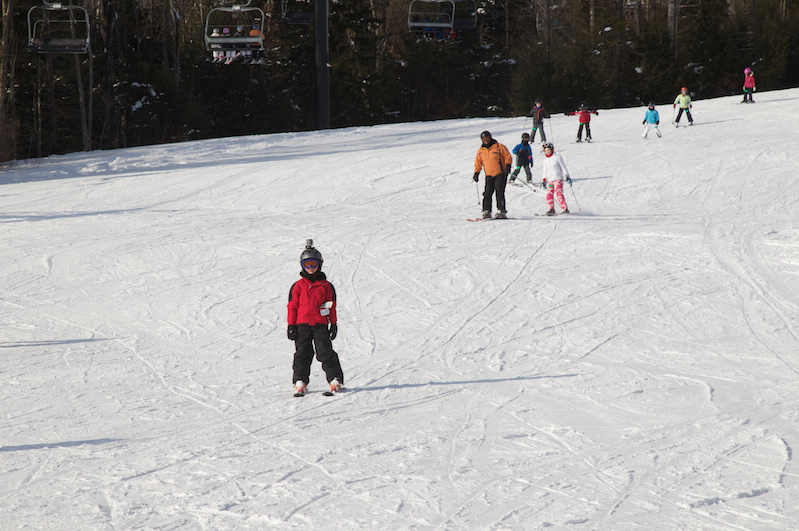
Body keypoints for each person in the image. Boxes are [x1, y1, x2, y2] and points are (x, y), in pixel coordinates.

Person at [287, 239, 344, 397]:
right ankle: (300, 380)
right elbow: (292, 307)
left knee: (325, 352)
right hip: (302, 325)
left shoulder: (326, 286)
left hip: (320, 325)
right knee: (302, 353)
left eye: (313, 264)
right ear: (302, 266)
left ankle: (335, 379)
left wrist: (333, 324)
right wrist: (291, 325)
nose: (310, 268)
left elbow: (331, 306)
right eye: (306, 264)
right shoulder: (297, 286)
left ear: (320, 264)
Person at [473, 130, 512, 219]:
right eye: (484, 139)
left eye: (487, 138)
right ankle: (486, 211)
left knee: (499, 192)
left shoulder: (499, 147)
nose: (486, 141)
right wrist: (476, 173)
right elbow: (478, 163)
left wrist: (508, 166)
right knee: (487, 193)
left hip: (500, 174)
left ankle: (501, 211)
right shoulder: (481, 151)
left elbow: (507, 156)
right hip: (489, 175)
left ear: (490, 138)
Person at [540, 142, 570, 216]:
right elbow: (545, 171)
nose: (547, 152)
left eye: (548, 150)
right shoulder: (545, 160)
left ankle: (564, 208)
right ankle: (551, 209)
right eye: (545, 150)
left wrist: (566, 175)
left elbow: (563, 167)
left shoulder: (557, 157)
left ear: (552, 150)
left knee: (558, 193)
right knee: (549, 194)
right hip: (550, 180)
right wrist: (544, 180)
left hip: (557, 179)